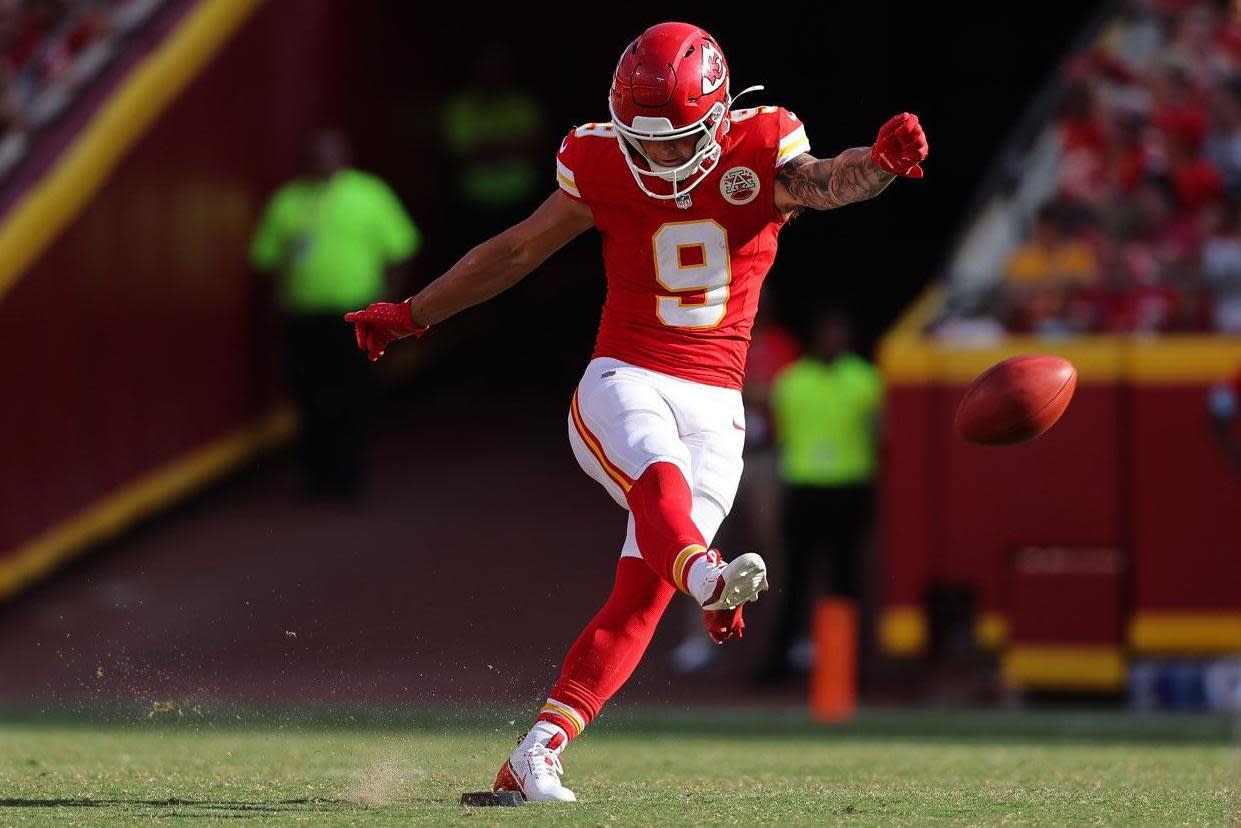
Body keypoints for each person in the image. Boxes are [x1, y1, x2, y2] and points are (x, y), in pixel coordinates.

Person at [344, 22, 927, 802]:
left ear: (719, 114)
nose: (655, 156)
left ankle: (535, 753)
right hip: (626, 375)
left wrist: (880, 166)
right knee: (659, 482)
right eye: (640, 140)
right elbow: (516, 251)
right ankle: (706, 575)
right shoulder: (596, 159)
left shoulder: (763, 146)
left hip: (717, 403)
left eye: (674, 138)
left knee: (640, 595)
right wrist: (415, 313)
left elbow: (827, 179)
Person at [251, 129, 420, 502]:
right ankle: (316, 477)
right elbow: (267, 259)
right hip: (303, 318)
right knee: (308, 395)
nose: (322, 161)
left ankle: (350, 477)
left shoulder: (369, 194)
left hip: (354, 317)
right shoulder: (287, 201)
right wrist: (276, 304)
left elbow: (402, 248)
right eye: (315, 155)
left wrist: (387, 303)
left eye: (329, 154)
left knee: (355, 395)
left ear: (343, 156)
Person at [760, 311, 882, 681]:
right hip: (804, 488)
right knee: (793, 580)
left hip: (848, 488)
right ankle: (779, 662)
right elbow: (773, 428)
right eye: (827, 332)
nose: (833, 340)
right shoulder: (793, 381)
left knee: (846, 580)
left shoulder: (866, 381)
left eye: (839, 332)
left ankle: (849, 667)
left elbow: (883, 431)